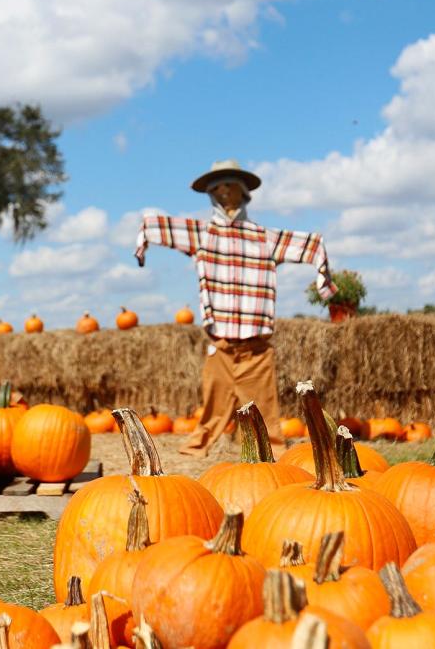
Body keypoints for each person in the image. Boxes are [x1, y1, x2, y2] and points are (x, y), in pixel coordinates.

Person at [135, 159, 337, 456]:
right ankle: (200, 447)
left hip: (256, 348)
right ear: (212, 195)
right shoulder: (202, 234)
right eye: (218, 188)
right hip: (221, 345)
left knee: (265, 418)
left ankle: (271, 456)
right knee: (210, 415)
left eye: (230, 186)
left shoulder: (264, 238)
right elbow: (154, 226)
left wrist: (325, 285)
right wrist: (142, 245)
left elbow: (313, 245)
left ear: (243, 192)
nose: (224, 193)